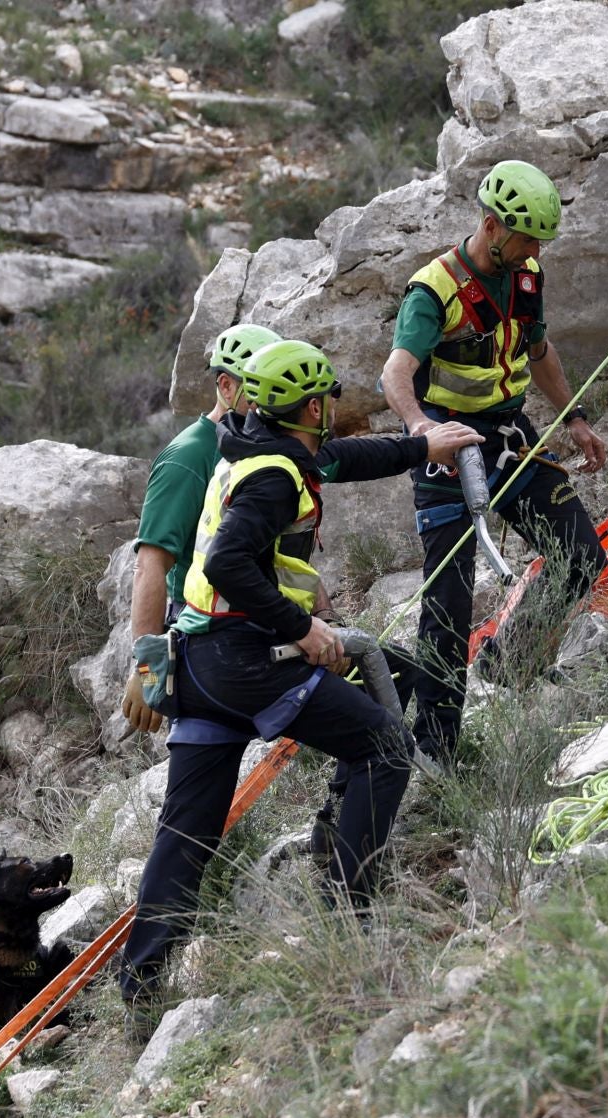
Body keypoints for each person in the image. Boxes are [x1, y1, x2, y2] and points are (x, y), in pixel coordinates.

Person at [119, 340, 482, 1003]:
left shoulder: (259, 449)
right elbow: (229, 562)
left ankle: (139, 986)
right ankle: (347, 921)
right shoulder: (272, 476)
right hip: (246, 658)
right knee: (383, 746)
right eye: (330, 401)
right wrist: (303, 627)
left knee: (187, 831)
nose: (333, 412)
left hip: (198, 666)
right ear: (313, 405)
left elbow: (345, 457)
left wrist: (420, 444)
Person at [379, 159, 608, 763]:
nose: (536, 248)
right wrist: (420, 430)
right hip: (445, 450)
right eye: (529, 236)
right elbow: (396, 373)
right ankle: (438, 751)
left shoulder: (527, 275)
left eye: (540, 239)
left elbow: (538, 353)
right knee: (447, 607)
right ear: (492, 226)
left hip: (509, 437)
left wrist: (578, 418)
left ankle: (511, 659)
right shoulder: (433, 290)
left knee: (581, 554)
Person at [121, 322, 281, 736]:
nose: (272, 398)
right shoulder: (190, 457)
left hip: (260, 619)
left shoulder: (264, 446)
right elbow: (150, 566)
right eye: (259, 386)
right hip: (202, 629)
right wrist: (147, 667)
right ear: (226, 387)